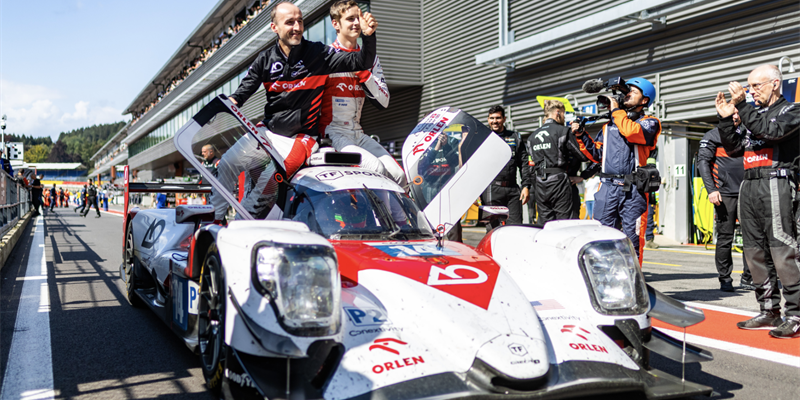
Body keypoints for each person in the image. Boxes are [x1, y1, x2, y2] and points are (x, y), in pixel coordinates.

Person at [216, 1, 379, 222]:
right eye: (290, 22)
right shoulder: (264, 59)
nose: (297, 27)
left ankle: (239, 229)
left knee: (268, 183)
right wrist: (231, 101)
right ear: (274, 27)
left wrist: (368, 37)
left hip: (302, 138)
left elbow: (362, 60)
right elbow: (241, 93)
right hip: (269, 132)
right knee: (225, 164)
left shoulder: (319, 53)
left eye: (300, 21)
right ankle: (212, 223)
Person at [715, 64, 800, 338]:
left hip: (777, 182)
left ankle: (795, 315)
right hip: (749, 185)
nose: (751, 91)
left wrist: (742, 105)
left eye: (756, 86)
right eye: (749, 87)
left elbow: (770, 132)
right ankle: (769, 311)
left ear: (775, 84)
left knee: (782, 250)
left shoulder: (792, 111)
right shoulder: (752, 114)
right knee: (753, 251)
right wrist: (727, 119)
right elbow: (734, 148)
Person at [573, 77, 661, 264]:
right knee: (600, 238)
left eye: (634, 92)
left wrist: (616, 111)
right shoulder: (609, 126)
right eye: (626, 91)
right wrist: (581, 135)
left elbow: (631, 132)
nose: (627, 94)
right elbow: (596, 155)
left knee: (632, 241)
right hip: (606, 188)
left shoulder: (650, 123)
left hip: (634, 190)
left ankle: (632, 283)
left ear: (644, 100)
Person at [320, 0, 405, 187]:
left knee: (399, 175)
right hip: (333, 134)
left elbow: (384, 101)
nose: (356, 23)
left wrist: (362, 72)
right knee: (376, 168)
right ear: (335, 24)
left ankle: (399, 217)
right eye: (350, 19)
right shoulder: (326, 57)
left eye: (358, 18)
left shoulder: (370, 59)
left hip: (358, 133)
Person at [697, 116, 755, 292]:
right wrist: (711, 190)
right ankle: (725, 278)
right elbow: (703, 163)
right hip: (724, 194)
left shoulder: (749, 134)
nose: (735, 116)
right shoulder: (712, 135)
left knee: (752, 238)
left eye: (738, 112)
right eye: (731, 113)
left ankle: (749, 277)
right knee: (725, 238)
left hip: (748, 191)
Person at [526, 100, 585, 224]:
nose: (564, 117)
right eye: (563, 114)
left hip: (540, 184)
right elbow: (582, 155)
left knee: (546, 224)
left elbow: (530, 167)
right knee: (565, 223)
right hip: (559, 182)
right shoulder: (563, 131)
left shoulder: (531, 138)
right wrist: (580, 135)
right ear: (558, 113)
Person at [481, 105, 529, 230]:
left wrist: (526, 186)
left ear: (504, 119)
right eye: (492, 118)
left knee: (516, 228)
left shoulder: (515, 137)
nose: (494, 121)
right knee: (493, 230)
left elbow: (524, 163)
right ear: (488, 119)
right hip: (492, 189)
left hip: (513, 190)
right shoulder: (482, 138)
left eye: (498, 118)